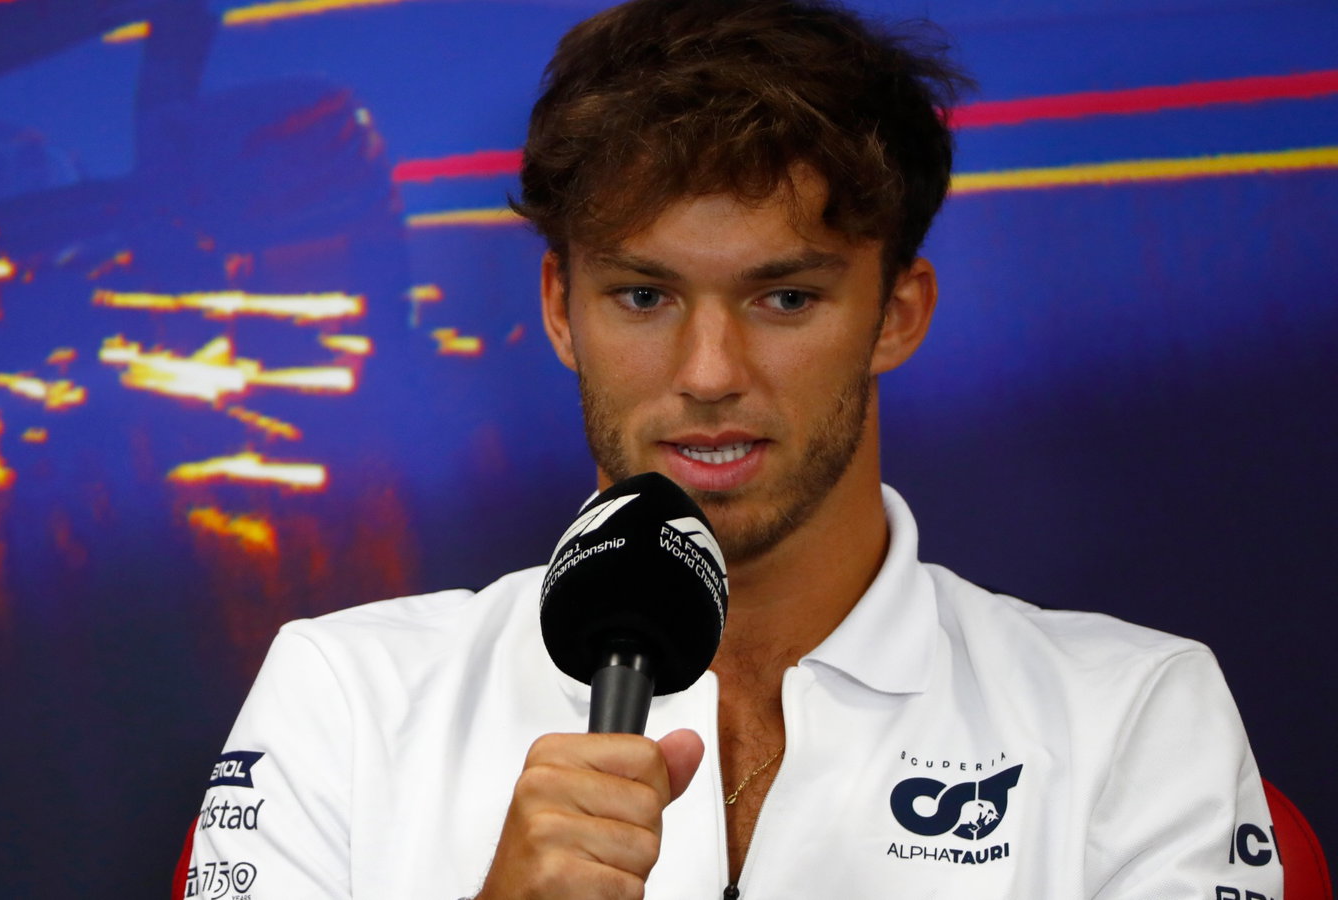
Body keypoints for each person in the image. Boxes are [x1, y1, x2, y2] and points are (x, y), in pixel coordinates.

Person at [183, 1, 1283, 898]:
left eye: (786, 295)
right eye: (645, 294)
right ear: (562, 308)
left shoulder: (1133, 712)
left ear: (896, 314)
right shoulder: (346, 699)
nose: (709, 370)